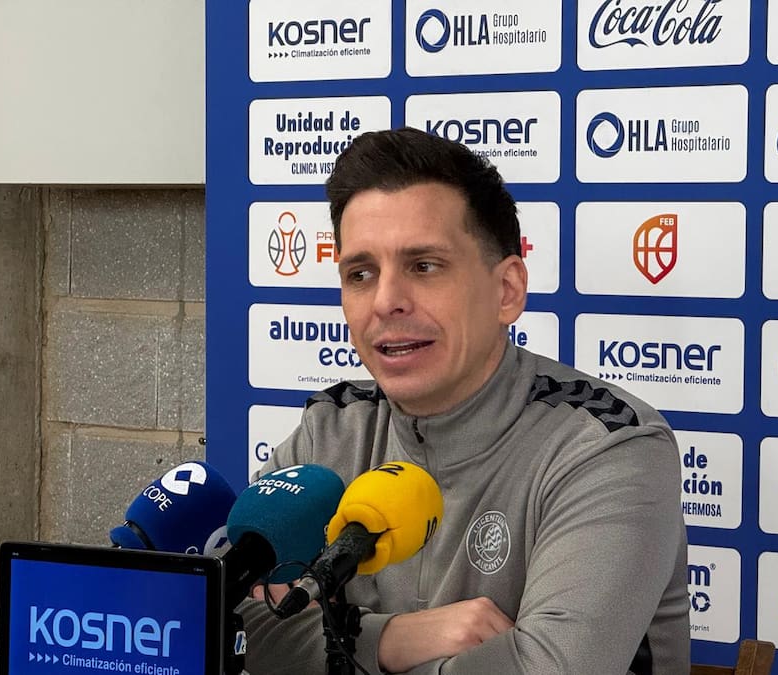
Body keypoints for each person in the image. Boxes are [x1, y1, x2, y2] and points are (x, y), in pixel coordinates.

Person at [240, 127, 690, 674]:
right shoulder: (331, 430)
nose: (386, 301)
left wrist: (328, 643)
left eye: (423, 266)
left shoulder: (608, 447)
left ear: (507, 291)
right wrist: (395, 639)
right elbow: (238, 626)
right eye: (361, 273)